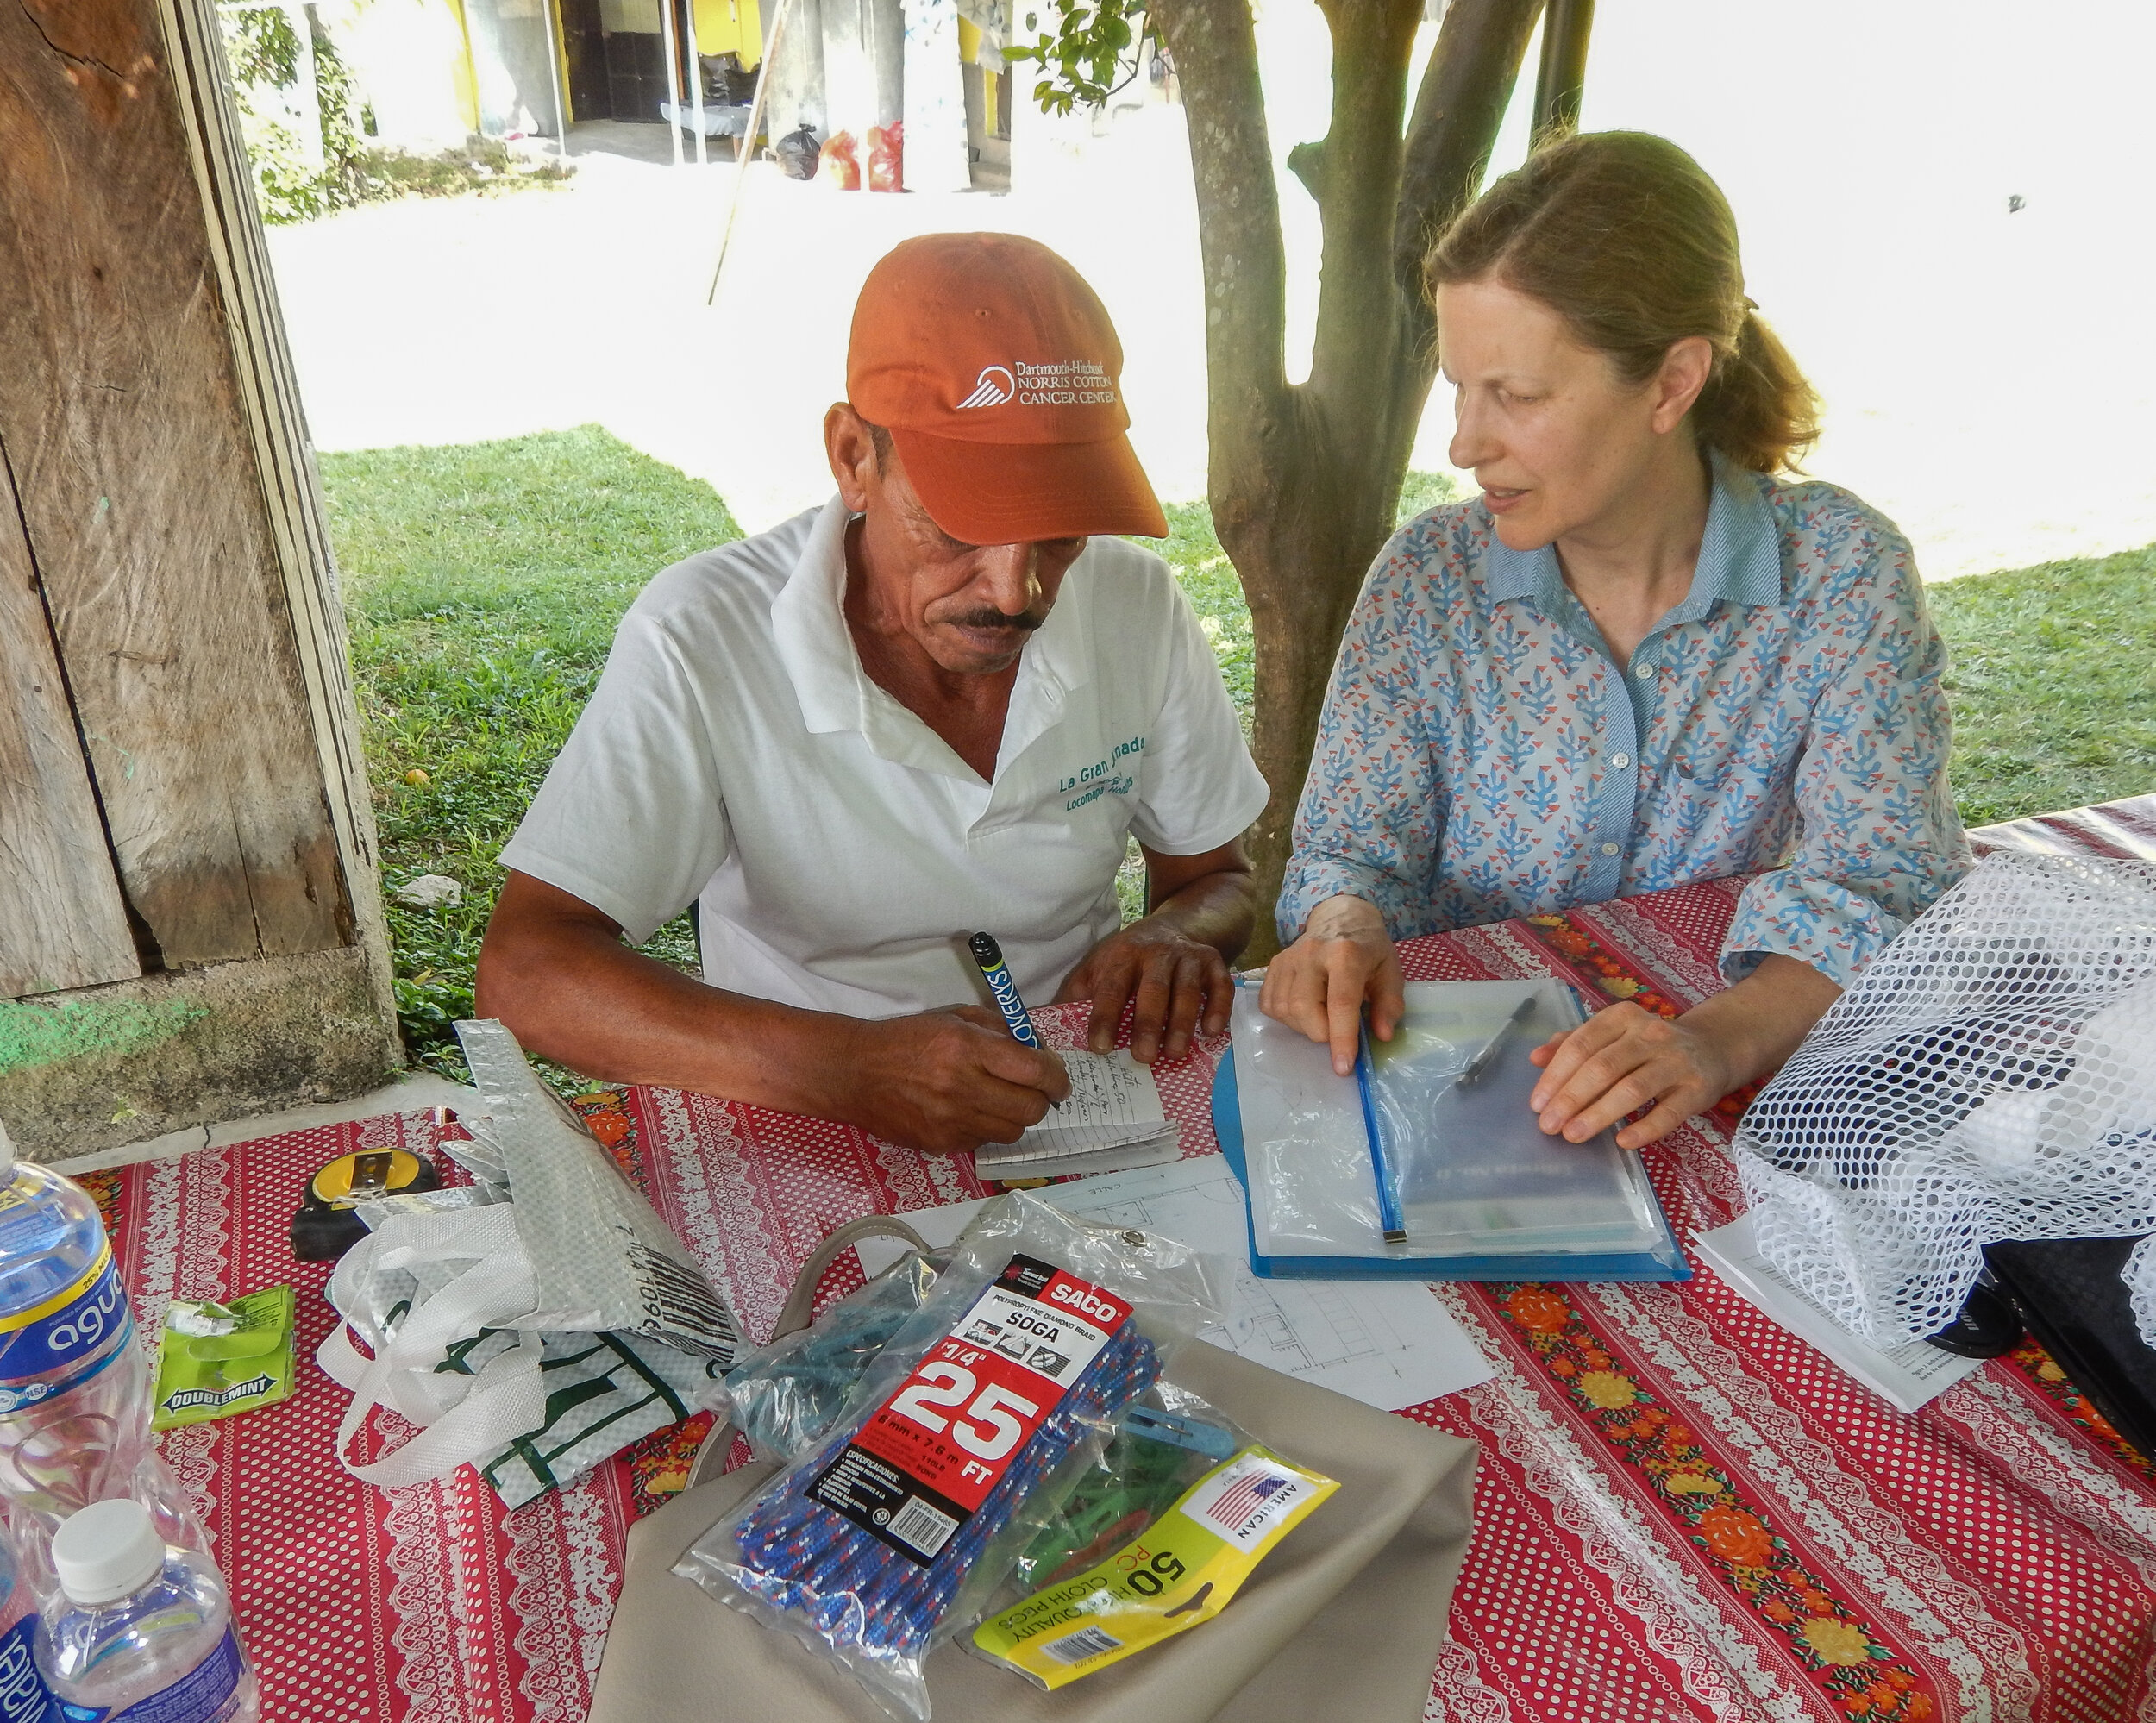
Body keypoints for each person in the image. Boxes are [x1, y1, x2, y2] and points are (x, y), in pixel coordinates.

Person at [478, 234, 1269, 1154]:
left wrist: (1176, 933)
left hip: (1066, 1084)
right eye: (958, 528)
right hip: (794, 1099)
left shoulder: (1135, 604)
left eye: (1060, 536)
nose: (1015, 594)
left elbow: (1216, 878)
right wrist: (847, 1069)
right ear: (854, 456)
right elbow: (528, 972)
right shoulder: (705, 634)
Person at [1262, 131, 1970, 1151]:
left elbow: (1882, 880)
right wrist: (1340, 927)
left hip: (1726, 1102)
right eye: (1459, 386)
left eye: (1518, 394)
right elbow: (1349, 851)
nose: (1464, 442)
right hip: (1447, 1106)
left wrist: (1709, 1045)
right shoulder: (1427, 582)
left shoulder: (1839, 574)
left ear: (1673, 382)